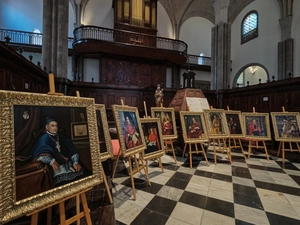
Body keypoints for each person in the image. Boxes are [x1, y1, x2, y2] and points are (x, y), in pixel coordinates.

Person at [30, 117, 84, 186]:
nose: (55, 128)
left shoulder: (61, 136)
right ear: (47, 127)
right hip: (54, 169)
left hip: (68, 166)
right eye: (52, 126)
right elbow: (39, 154)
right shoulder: (43, 138)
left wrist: (75, 162)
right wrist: (51, 161)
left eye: (56, 126)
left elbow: (71, 149)